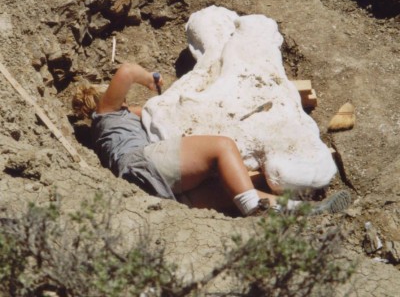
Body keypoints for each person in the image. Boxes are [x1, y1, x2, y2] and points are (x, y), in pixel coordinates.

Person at [72, 62, 351, 217]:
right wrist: (150, 79)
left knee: (230, 189)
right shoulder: (105, 113)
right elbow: (127, 71)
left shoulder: (118, 123)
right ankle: (253, 208)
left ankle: (309, 210)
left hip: (153, 191)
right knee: (222, 146)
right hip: (142, 164)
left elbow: (157, 110)